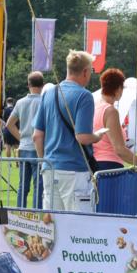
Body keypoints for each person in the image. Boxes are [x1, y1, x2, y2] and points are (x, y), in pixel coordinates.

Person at [32, 51, 99, 212]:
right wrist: (98, 136)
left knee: (52, 226)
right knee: (78, 228)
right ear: (84, 71)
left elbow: (37, 136)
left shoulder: (48, 94)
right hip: (74, 170)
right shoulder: (85, 96)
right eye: (90, 71)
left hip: (50, 168)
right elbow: (82, 137)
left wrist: (44, 162)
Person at [91, 68, 137, 182]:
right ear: (118, 89)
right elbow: (120, 150)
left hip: (95, 167)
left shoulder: (94, 107)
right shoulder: (110, 111)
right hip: (109, 168)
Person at [7, 71, 46, 208]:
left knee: (23, 186)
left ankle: (20, 215)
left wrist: (21, 137)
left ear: (28, 84)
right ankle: (36, 216)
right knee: (38, 186)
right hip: (39, 148)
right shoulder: (44, 102)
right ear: (43, 85)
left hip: (24, 148)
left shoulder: (20, 102)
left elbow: (9, 124)